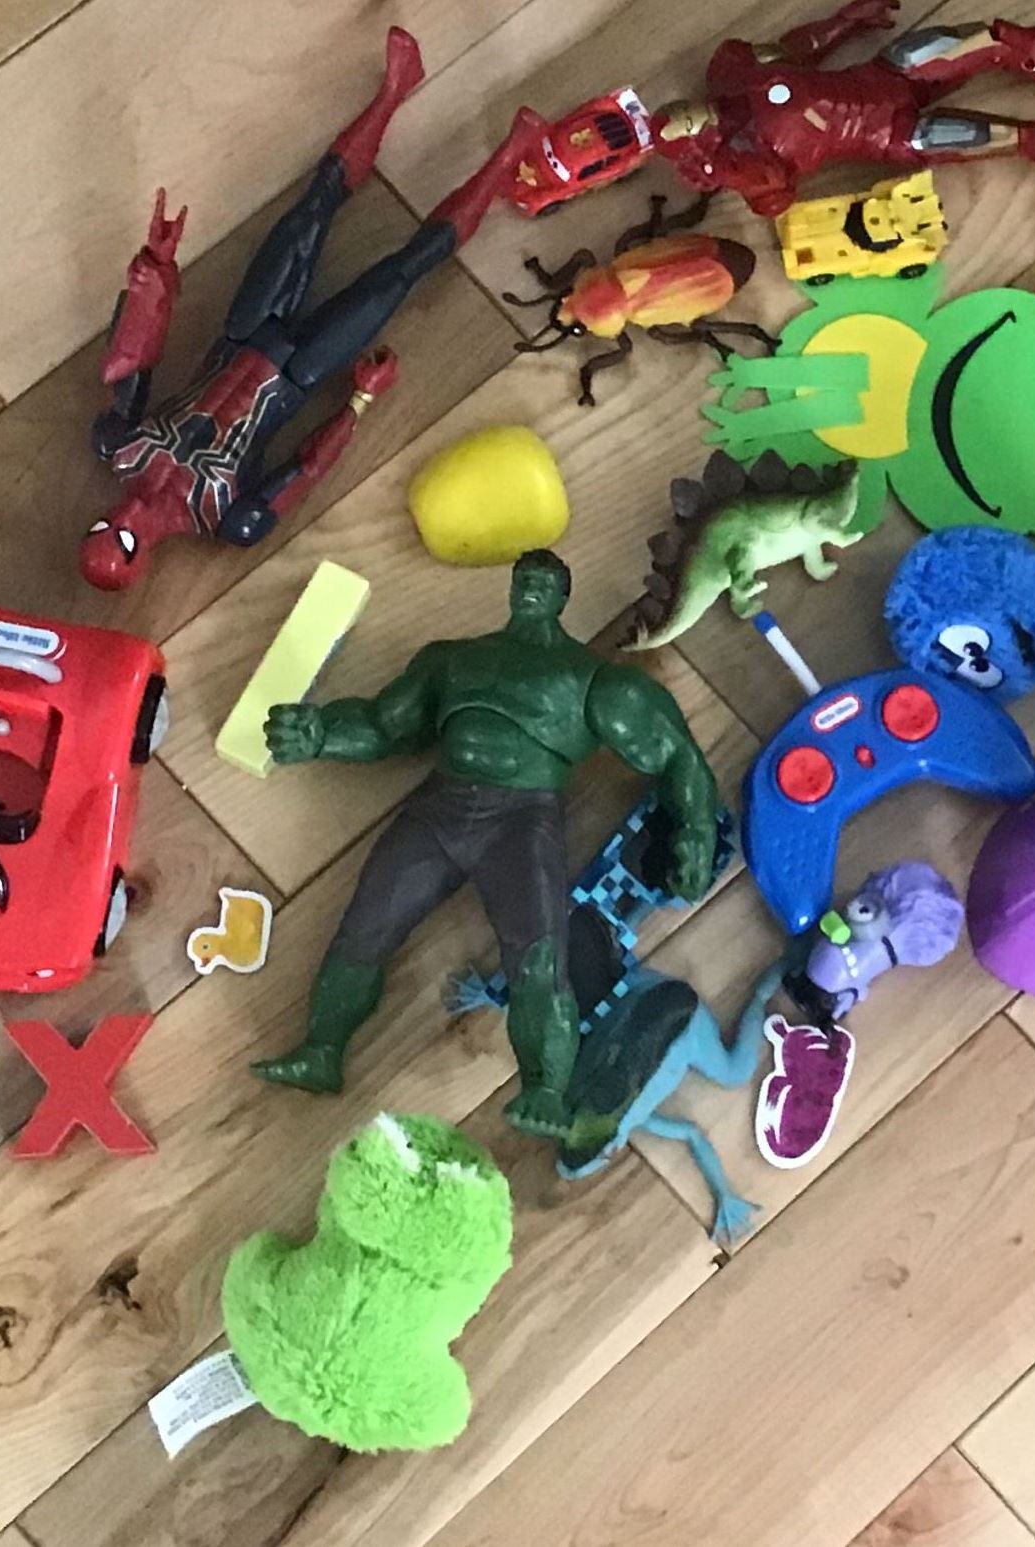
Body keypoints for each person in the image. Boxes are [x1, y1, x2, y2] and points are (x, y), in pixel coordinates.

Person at [251, 550, 721, 1142]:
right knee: (365, 926)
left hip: (522, 824)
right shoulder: (453, 660)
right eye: (524, 579)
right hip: (438, 809)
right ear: (511, 587)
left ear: (563, 596)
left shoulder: (589, 679)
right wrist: (320, 733)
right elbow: (382, 725)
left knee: (538, 959)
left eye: (543, 582)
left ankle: (545, 1089)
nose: (531, 589)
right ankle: (321, 1049)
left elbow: (677, 753)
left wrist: (696, 830)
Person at [81, 28, 548, 590]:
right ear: (142, 561)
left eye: (105, 524)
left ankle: (393, 92)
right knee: (402, 271)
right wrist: (360, 400)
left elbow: (132, 360)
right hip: (301, 370)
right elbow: (306, 467)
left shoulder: (121, 445)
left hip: (244, 330)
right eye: (126, 540)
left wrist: (153, 272)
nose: (126, 517)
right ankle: (504, 163)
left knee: (311, 210)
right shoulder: (227, 519)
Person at [651, 0, 1035, 217]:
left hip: (887, 73)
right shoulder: (745, 155)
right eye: (691, 127)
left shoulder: (735, 72)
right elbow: (774, 190)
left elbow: (798, 50)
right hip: (896, 134)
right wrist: (721, 171)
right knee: (1013, 136)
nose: (697, 116)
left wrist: (848, 20)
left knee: (988, 38)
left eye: (686, 111)